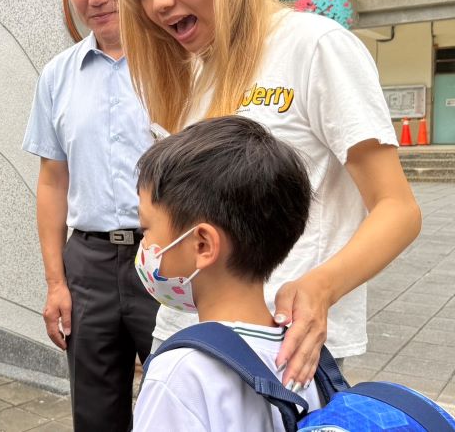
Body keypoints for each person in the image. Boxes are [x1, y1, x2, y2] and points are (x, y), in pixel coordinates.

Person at [112, 0, 421, 390]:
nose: (159, 4)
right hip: (184, 340)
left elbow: (399, 209)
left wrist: (321, 286)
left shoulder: (315, 47)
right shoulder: (187, 74)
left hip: (281, 350)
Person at [22, 0, 160, 432]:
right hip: (90, 264)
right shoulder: (58, 76)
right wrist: (56, 282)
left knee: (180, 401)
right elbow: (53, 181)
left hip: (167, 258)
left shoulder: (178, 59)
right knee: (95, 412)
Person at [131, 116, 322, 431]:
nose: (145, 246)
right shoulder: (308, 357)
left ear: (203, 244)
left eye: (147, 229)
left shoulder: (179, 375)